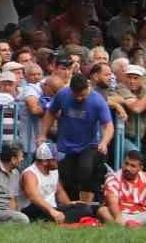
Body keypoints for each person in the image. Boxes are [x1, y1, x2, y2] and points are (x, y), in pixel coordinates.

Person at [44, 71, 114, 203]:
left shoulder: (98, 101)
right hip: (66, 145)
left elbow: (109, 126)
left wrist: (104, 142)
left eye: (82, 95)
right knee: (67, 176)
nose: (79, 98)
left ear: (88, 88)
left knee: (85, 170)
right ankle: (74, 207)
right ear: (71, 90)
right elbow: (50, 113)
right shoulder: (63, 94)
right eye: (76, 95)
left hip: (89, 145)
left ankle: (88, 205)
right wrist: (42, 134)